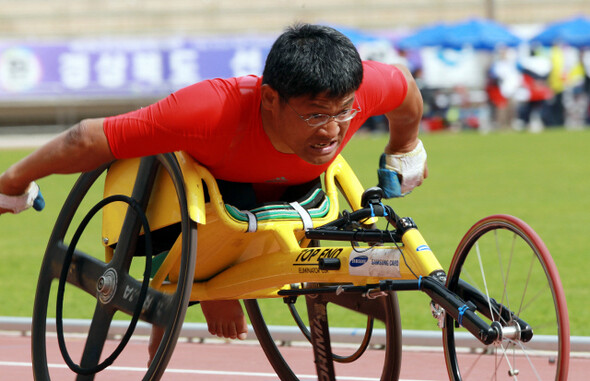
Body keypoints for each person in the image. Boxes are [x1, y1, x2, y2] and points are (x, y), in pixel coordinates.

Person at [0, 23, 427, 362]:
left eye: (344, 111)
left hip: (299, 197)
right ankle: (206, 291)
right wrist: (13, 181)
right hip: (207, 205)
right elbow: (85, 139)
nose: (334, 129)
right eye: (315, 114)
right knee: (204, 201)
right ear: (270, 99)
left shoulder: (360, 90)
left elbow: (405, 90)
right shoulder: (210, 111)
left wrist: (404, 148)